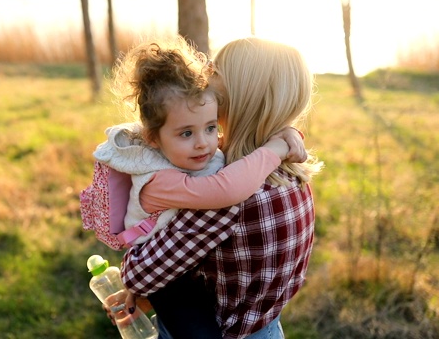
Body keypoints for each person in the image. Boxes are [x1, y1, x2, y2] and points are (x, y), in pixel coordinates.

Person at [94, 37, 307, 337]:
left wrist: (135, 282)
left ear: (242, 93)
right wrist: (284, 137)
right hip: (267, 324)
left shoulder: (233, 193)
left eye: (217, 71)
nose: (206, 73)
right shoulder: (288, 166)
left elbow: (140, 273)